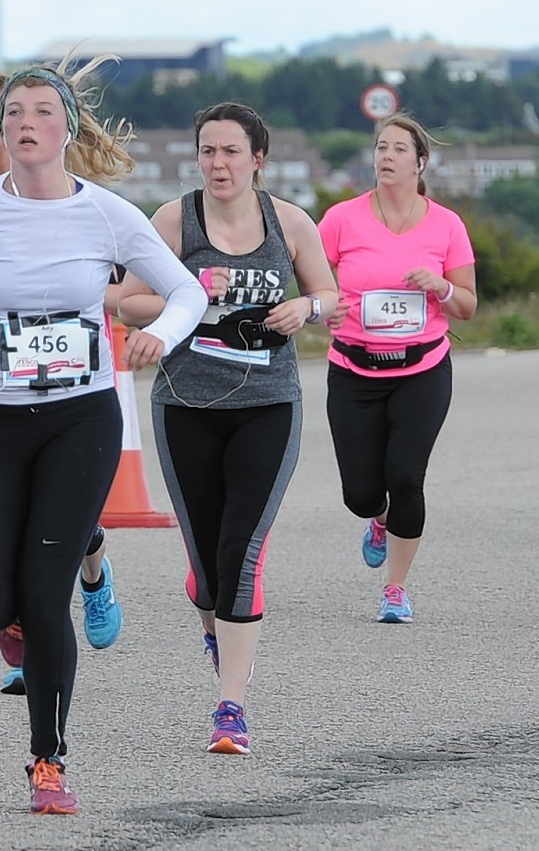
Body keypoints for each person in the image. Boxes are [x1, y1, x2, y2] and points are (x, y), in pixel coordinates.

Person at [0, 59, 206, 813]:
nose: (26, 123)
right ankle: (3, 617)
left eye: (43, 111)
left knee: (46, 596)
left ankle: (48, 759)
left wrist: (160, 338)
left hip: (81, 418)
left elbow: (186, 291)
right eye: (13, 114)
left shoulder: (107, 214)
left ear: (67, 128)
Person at [117, 102, 337, 755]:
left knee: (241, 556)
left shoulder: (290, 224)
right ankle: (213, 613)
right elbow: (126, 300)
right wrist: (191, 293)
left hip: (269, 404)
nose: (217, 163)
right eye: (207, 152)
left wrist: (307, 306)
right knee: (208, 573)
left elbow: (333, 298)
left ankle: (230, 708)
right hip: (185, 405)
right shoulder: (173, 221)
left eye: (230, 152)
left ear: (257, 160)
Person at [0, 71, 125, 697]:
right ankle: (0, 593)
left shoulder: (83, 199)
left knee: (52, 525)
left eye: (1, 111)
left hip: (69, 374)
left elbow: (126, 272)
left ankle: (83, 563)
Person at [318, 112, 476, 624]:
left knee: (406, 476)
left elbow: (469, 306)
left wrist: (441, 287)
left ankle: (395, 589)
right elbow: (312, 285)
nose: (385, 156)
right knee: (360, 493)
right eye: (381, 147)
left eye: (398, 149)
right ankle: (378, 520)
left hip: (422, 369)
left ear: (420, 161)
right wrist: (325, 308)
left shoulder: (446, 224)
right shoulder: (342, 219)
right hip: (353, 368)